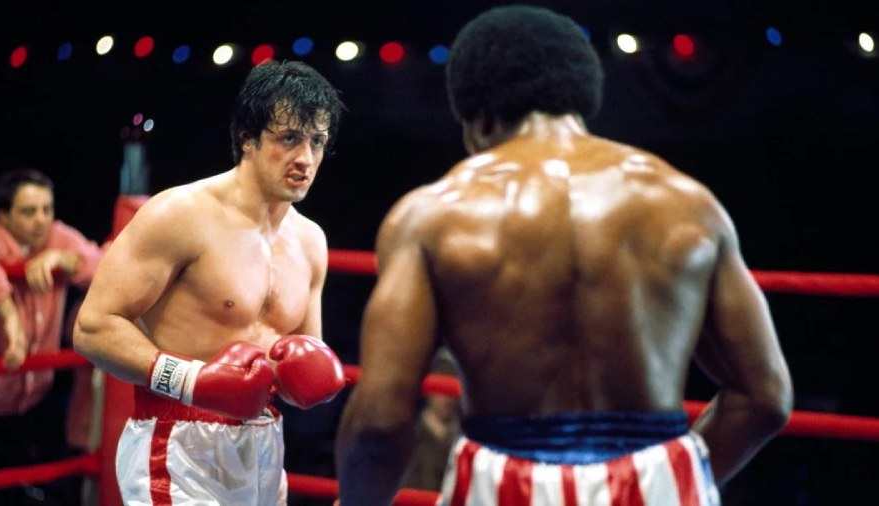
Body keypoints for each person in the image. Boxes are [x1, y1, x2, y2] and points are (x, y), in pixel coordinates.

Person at [335, 5, 793, 505]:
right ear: (581, 93)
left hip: (503, 485)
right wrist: (670, 478)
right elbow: (765, 398)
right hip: (659, 483)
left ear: (476, 115)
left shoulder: (433, 215)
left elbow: (381, 420)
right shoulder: (689, 205)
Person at [72, 60, 348, 506]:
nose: (306, 158)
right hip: (175, 445)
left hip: (263, 449)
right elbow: (92, 327)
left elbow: (298, 367)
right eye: (289, 138)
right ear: (247, 139)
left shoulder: (311, 241)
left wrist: (305, 380)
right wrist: (193, 380)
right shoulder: (180, 215)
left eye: (317, 141)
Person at [0, 168, 105, 505]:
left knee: (37, 480)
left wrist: (65, 260)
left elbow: (105, 263)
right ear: (2, 215)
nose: (41, 220)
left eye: (47, 210)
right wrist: (10, 320)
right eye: (29, 211)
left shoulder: (58, 238)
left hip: (38, 394)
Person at [399, 348, 461, 493]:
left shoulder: (465, 441)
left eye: (451, 385)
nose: (448, 397)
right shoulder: (410, 437)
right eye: (441, 386)